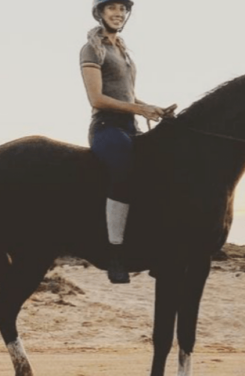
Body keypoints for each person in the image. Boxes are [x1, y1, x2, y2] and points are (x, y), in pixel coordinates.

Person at [81, 0, 176, 284]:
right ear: (100, 13)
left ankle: (157, 248)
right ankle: (115, 253)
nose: (118, 13)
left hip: (129, 124)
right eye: (112, 8)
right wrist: (139, 110)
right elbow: (97, 99)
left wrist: (152, 108)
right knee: (123, 167)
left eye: (122, 9)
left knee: (163, 167)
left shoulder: (122, 50)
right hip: (106, 127)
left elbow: (127, 96)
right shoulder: (91, 49)